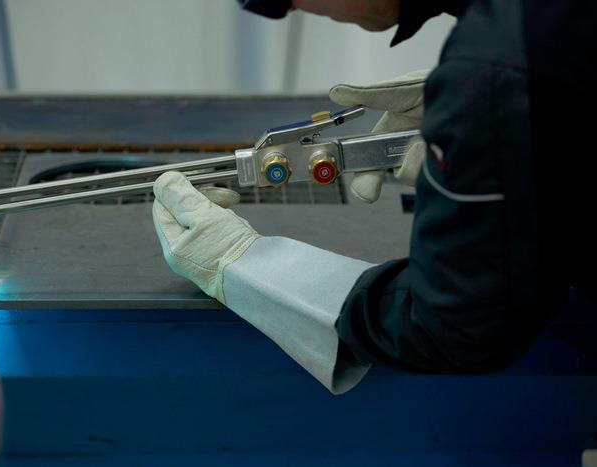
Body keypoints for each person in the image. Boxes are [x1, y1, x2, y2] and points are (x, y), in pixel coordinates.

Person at [151, 0, 597, 394]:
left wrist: (244, 263)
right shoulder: (532, 32)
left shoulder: (499, 62)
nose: (289, 10)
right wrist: (533, 125)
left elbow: (459, 325)